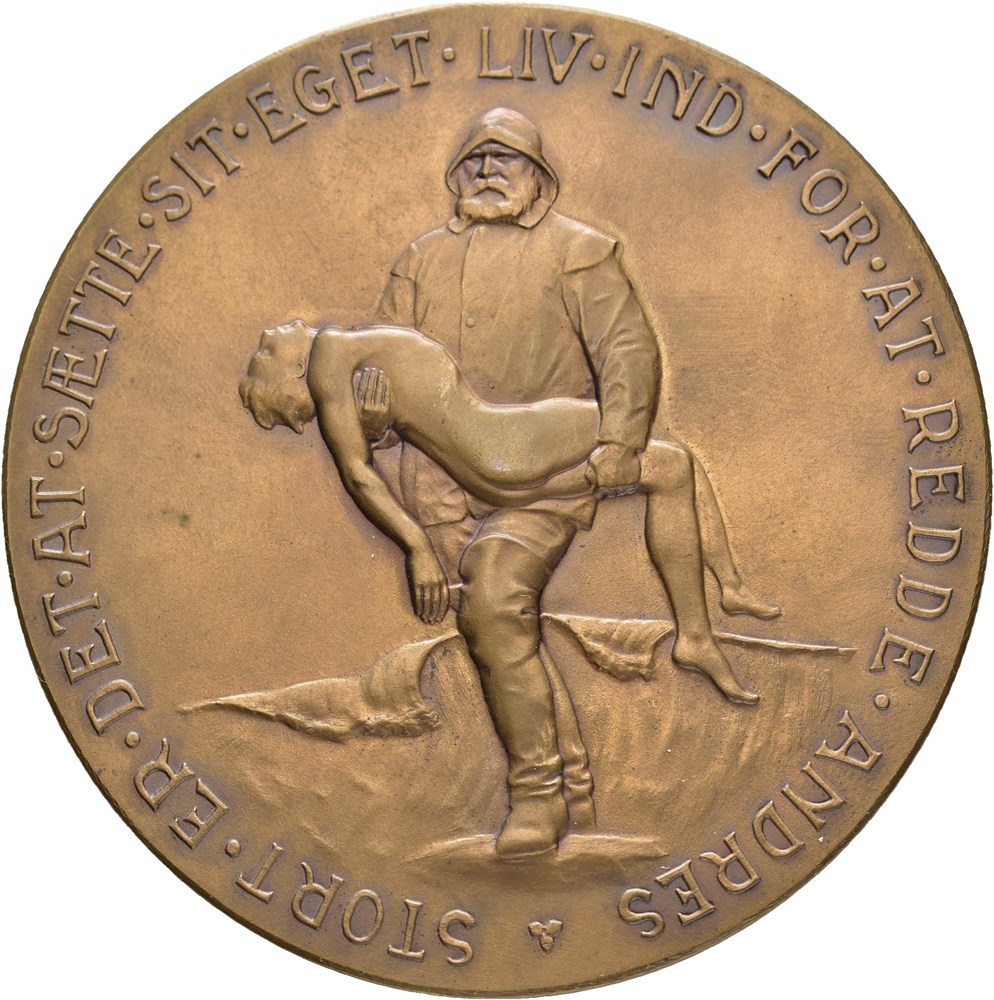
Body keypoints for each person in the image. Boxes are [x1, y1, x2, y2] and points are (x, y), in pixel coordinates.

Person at [240, 319, 762, 856]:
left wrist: (415, 540)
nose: (312, 419)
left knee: (668, 464)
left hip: (502, 464)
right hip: (505, 461)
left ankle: (715, 604)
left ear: (291, 371)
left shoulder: (332, 354)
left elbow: (364, 465)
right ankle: (702, 624)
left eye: (299, 412)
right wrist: (384, 442)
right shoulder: (349, 351)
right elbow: (380, 447)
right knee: (670, 462)